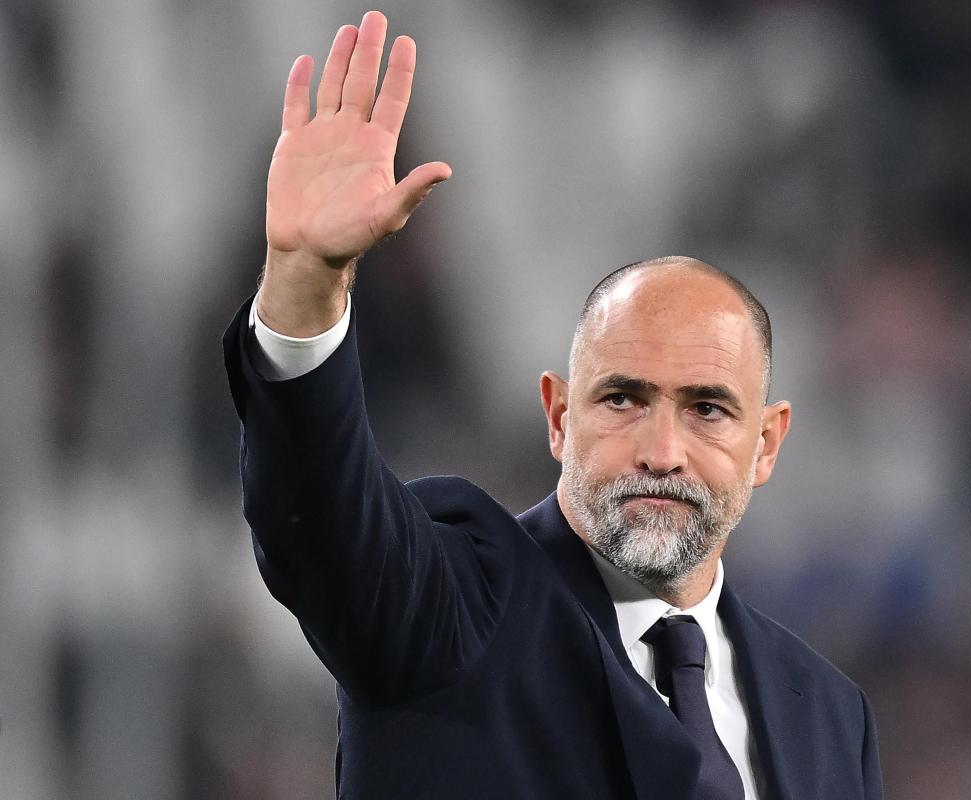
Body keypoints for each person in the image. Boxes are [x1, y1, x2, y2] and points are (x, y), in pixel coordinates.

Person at [224, 11, 883, 799]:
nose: (662, 451)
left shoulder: (830, 716)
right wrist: (305, 284)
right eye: (624, 399)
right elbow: (324, 523)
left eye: (707, 410)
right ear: (560, 418)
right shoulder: (458, 608)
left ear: (767, 443)